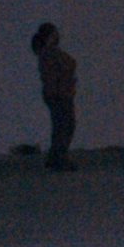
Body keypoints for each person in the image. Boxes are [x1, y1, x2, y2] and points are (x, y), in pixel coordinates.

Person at [33, 22, 77, 172]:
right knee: (65, 126)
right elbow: (66, 65)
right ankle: (60, 158)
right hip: (59, 94)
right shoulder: (50, 53)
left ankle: (55, 157)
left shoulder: (47, 52)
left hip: (57, 93)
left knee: (60, 126)